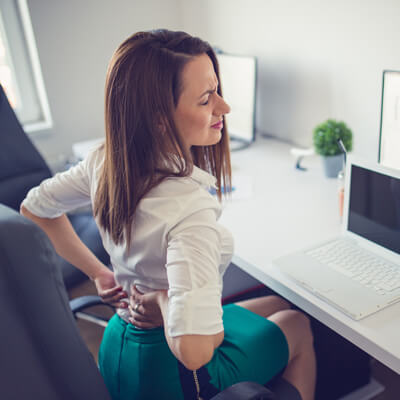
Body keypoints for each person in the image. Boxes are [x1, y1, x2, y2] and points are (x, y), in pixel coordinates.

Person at [21, 29, 316, 400]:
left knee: (276, 304)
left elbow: (34, 209)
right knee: (297, 323)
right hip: (171, 370)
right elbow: (194, 352)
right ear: (159, 119)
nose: (223, 108)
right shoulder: (188, 211)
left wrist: (98, 273)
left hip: (118, 344)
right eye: (207, 99)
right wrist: (162, 301)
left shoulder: (107, 160)